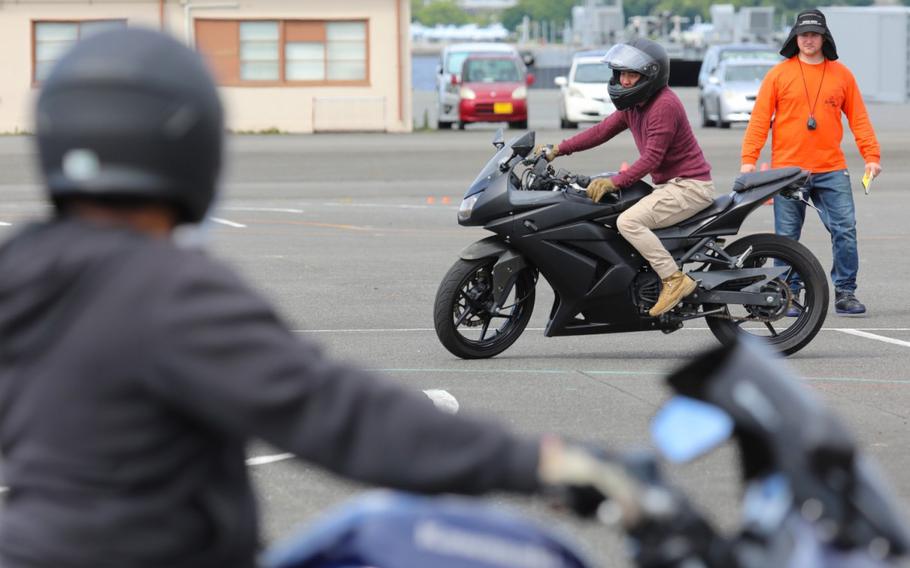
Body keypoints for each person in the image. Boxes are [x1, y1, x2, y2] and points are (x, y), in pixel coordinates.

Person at [0, 28, 606, 568]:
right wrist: (541, 463)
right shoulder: (169, 291)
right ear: (192, 142)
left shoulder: (19, 270)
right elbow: (344, 416)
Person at [534, 39, 715, 317]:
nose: (625, 81)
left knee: (628, 221)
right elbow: (601, 131)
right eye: (621, 74)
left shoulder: (663, 105)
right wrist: (558, 149)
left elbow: (651, 159)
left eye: (632, 75)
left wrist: (615, 181)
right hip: (669, 186)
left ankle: (673, 279)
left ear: (650, 75)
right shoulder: (635, 105)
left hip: (689, 187)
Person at [740, 9, 881, 315]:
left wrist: (872, 156)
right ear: (795, 38)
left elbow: (859, 120)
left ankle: (846, 292)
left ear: (824, 38)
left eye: (814, 34)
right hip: (788, 172)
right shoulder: (779, 74)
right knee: (787, 237)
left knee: (845, 230)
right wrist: (749, 160)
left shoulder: (841, 75)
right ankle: (789, 292)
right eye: (803, 34)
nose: (808, 40)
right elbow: (759, 120)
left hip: (831, 169)